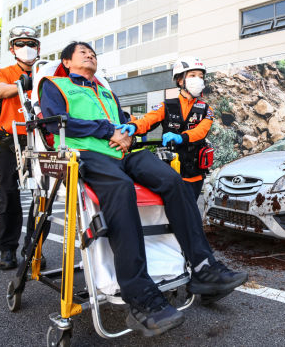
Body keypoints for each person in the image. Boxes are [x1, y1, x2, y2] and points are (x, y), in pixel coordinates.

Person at [39, 42, 248, 338]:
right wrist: (107, 130)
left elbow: (126, 122)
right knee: (122, 189)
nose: (90, 55)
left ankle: (204, 267)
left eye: (93, 53)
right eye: (83, 52)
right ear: (67, 61)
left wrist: (125, 129)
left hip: (123, 154)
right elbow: (56, 123)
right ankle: (138, 296)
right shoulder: (55, 85)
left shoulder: (105, 91)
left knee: (174, 183)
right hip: (87, 154)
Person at [0, 26, 41, 270]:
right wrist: (23, 84)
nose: (26, 48)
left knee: (41, 196)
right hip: (10, 140)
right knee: (8, 195)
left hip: (39, 139)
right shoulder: (3, 72)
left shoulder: (45, 72)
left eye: (30, 43)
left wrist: (37, 81)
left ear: (38, 48)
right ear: (12, 49)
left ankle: (32, 247)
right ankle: (8, 249)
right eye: (20, 44)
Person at [128, 57, 214, 199]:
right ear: (180, 80)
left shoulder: (206, 109)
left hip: (196, 174)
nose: (198, 80)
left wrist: (182, 137)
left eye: (201, 76)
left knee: (191, 209)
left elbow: (202, 131)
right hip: (171, 171)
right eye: (192, 75)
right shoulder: (166, 105)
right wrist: (133, 126)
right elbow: (148, 120)